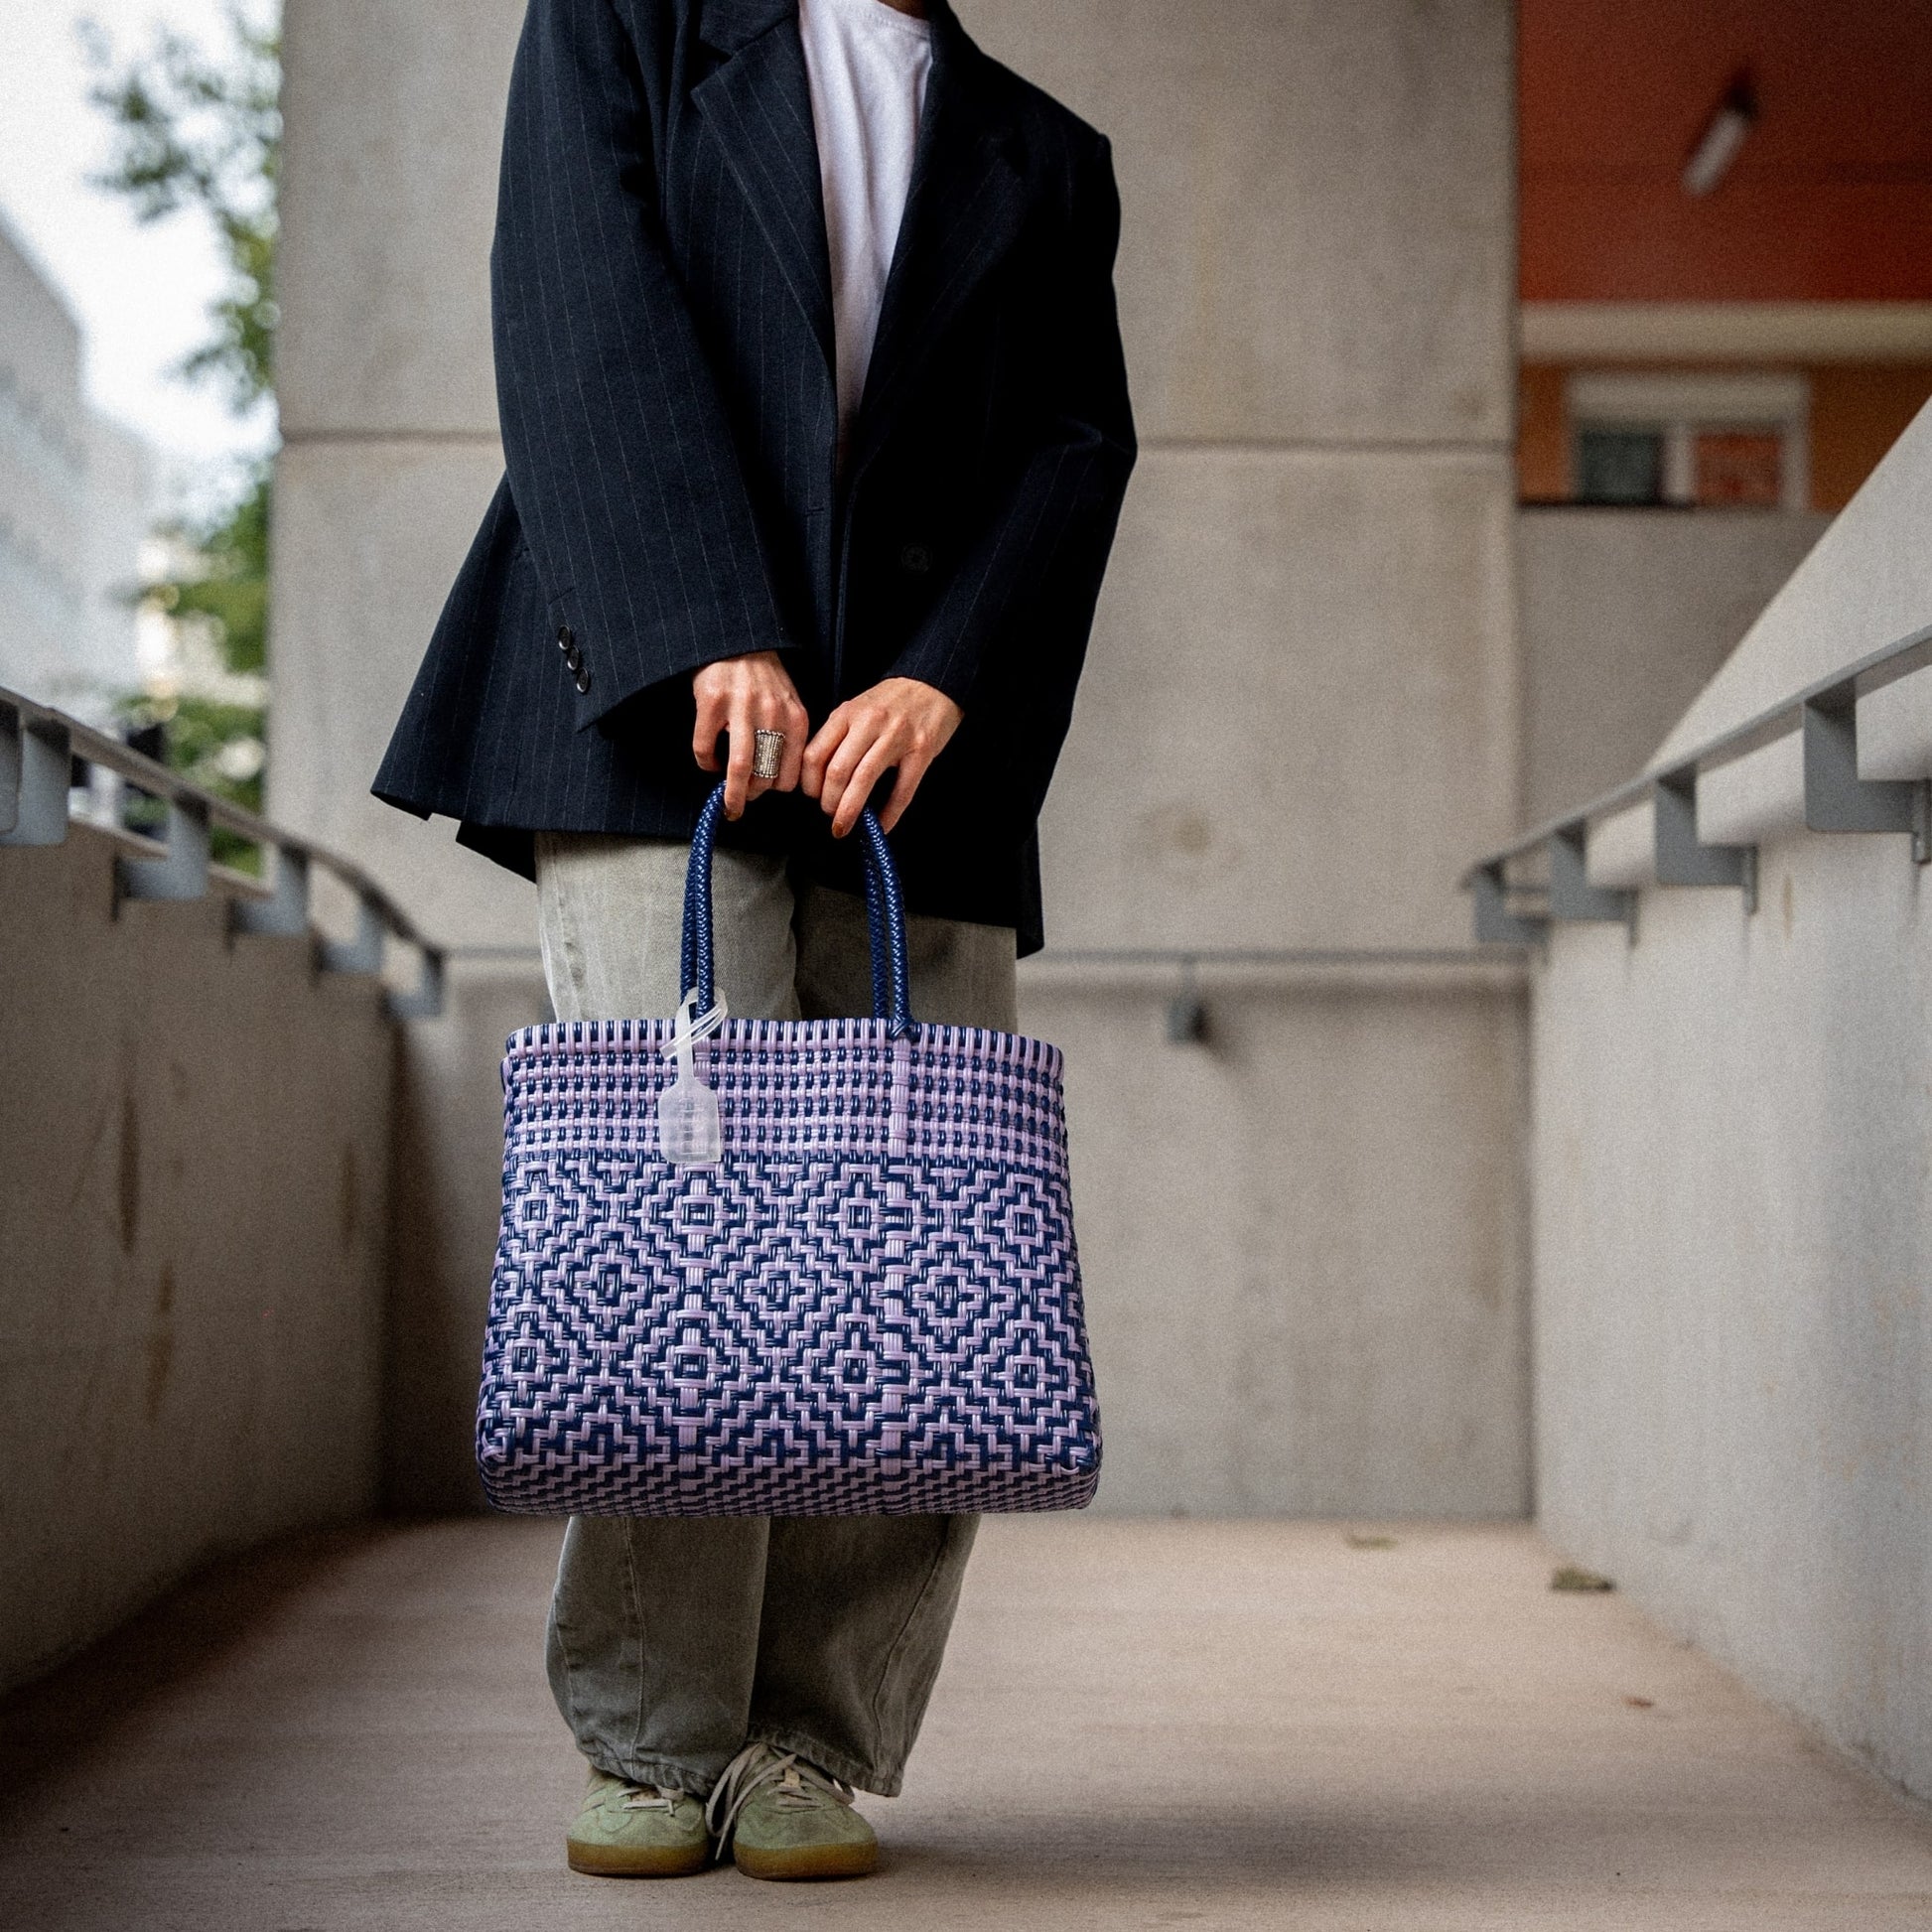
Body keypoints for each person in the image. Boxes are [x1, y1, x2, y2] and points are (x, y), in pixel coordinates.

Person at [373, 0, 1134, 1883]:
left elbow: (1071, 444)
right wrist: (703, 614)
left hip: (915, 769)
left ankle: (809, 1739)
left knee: (911, 1250)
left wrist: (949, 675)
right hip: (656, 723)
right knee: (672, 1229)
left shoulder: (1043, 153)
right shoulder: (626, 27)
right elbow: (578, 308)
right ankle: (653, 1739)